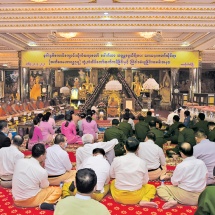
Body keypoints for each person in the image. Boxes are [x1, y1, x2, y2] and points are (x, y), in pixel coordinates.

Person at [157, 142, 208, 209]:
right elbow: (206, 176)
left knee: (161, 188)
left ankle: (171, 200)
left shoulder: (182, 166)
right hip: (201, 196)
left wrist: (170, 177)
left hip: (186, 196)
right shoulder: (201, 162)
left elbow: (174, 182)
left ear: (181, 153)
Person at [110, 137, 157, 207]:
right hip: (136, 197)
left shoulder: (117, 160)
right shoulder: (142, 162)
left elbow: (112, 175)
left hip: (118, 196)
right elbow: (145, 181)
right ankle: (145, 199)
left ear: (124, 147)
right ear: (138, 149)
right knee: (152, 187)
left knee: (113, 183)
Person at [12, 143, 62, 210]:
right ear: (41, 156)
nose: (46, 156)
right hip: (28, 200)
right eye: (45, 153)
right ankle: (46, 203)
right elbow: (45, 186)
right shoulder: (41, 171)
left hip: (16, 198)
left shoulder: (20, 161)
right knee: (57, 190)